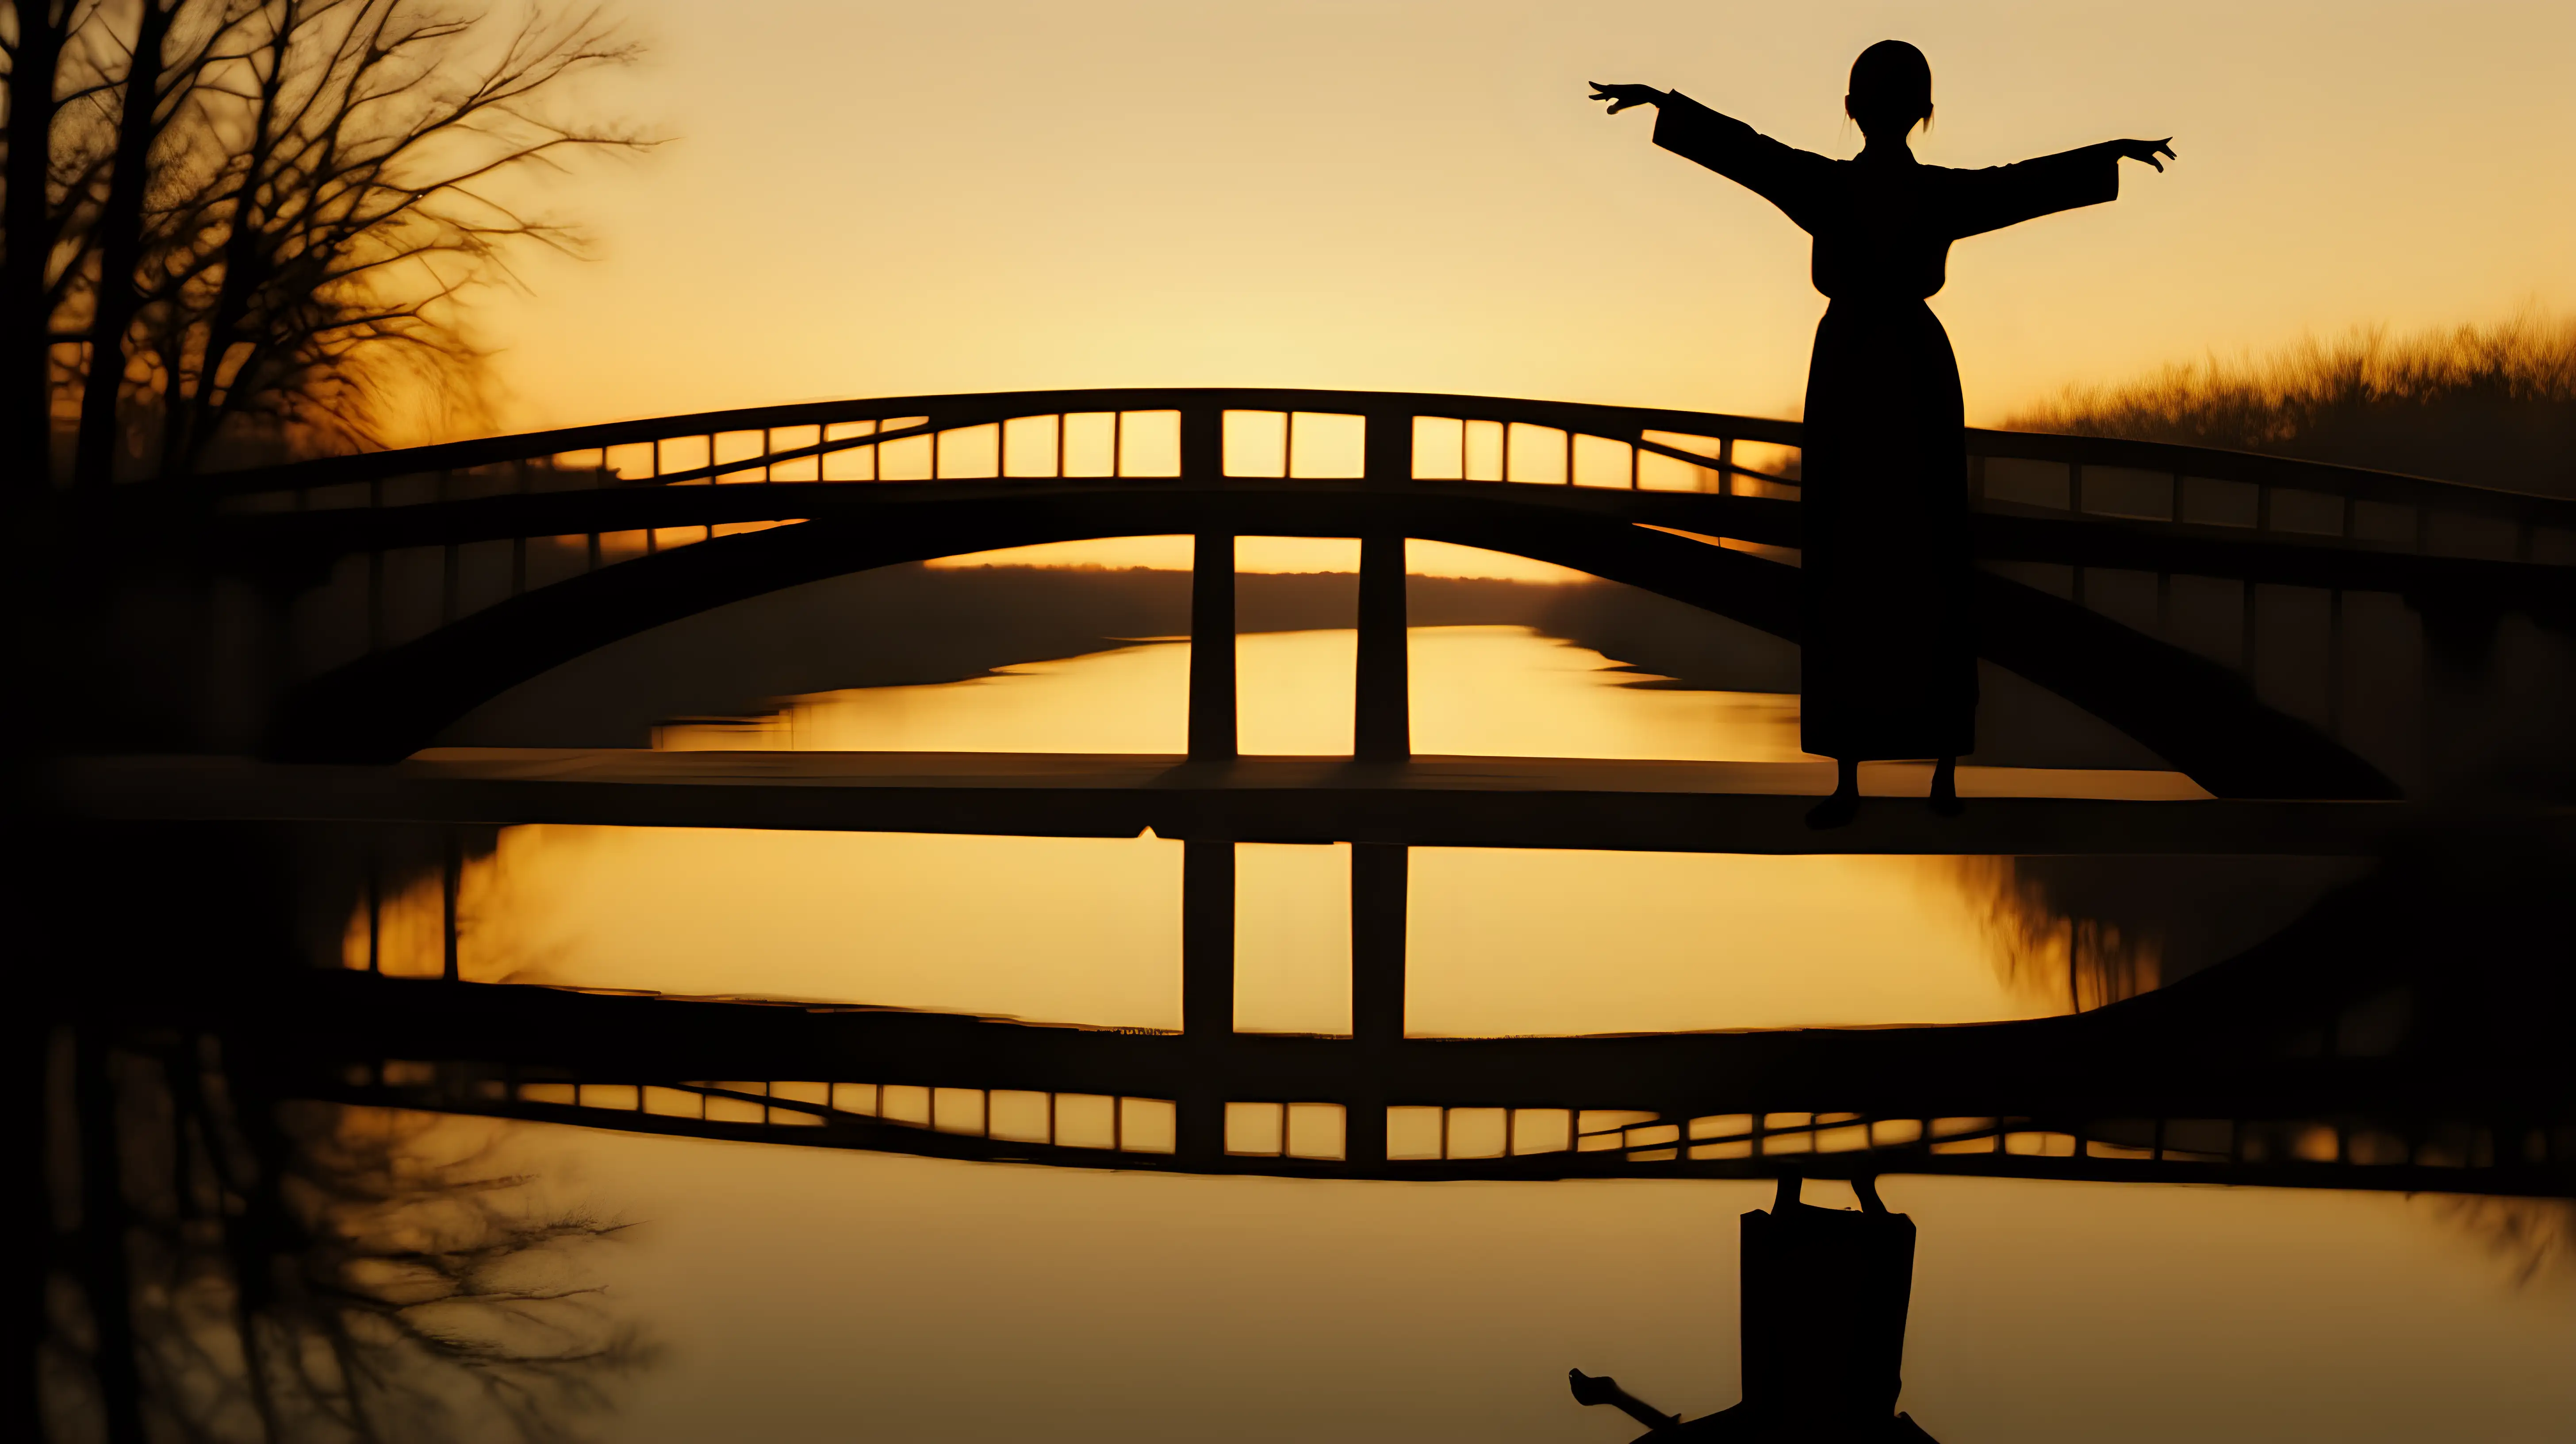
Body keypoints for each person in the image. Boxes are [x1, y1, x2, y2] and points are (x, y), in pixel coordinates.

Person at [1591, 42, 2173, 829]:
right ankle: (1941, 777)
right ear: (1924, 113)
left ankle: (1849, 779)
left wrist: (1666, 103)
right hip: (1918, 376)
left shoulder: (1827, 187)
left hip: (1849, 380)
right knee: (1931, 562)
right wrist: (2109, 154)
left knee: (1845, 566)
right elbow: (2022, 187)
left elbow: (1750, 154)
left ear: (1852, 108)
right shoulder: (1934, 196)